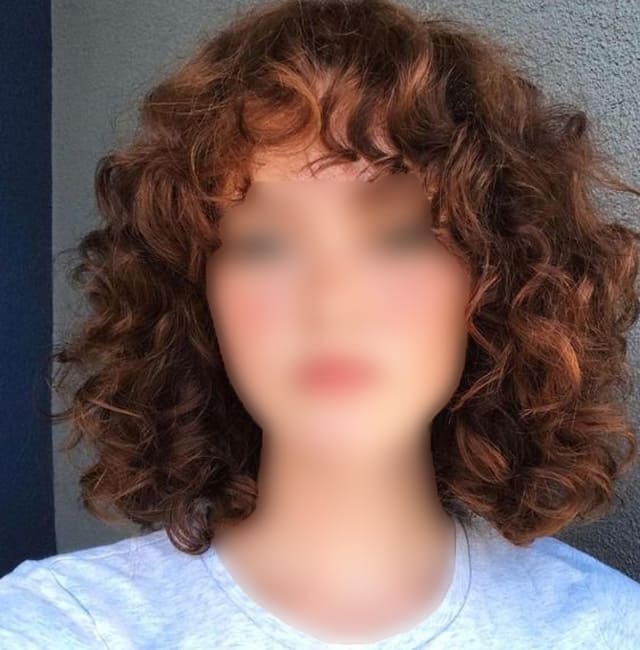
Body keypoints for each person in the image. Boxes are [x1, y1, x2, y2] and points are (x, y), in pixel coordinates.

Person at [2, 0, 639, 648]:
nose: (332, 303)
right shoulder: (64, 624)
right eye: (265, 244)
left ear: (496, 282)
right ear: (195, 298)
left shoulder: (606, 629)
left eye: (400, 237)